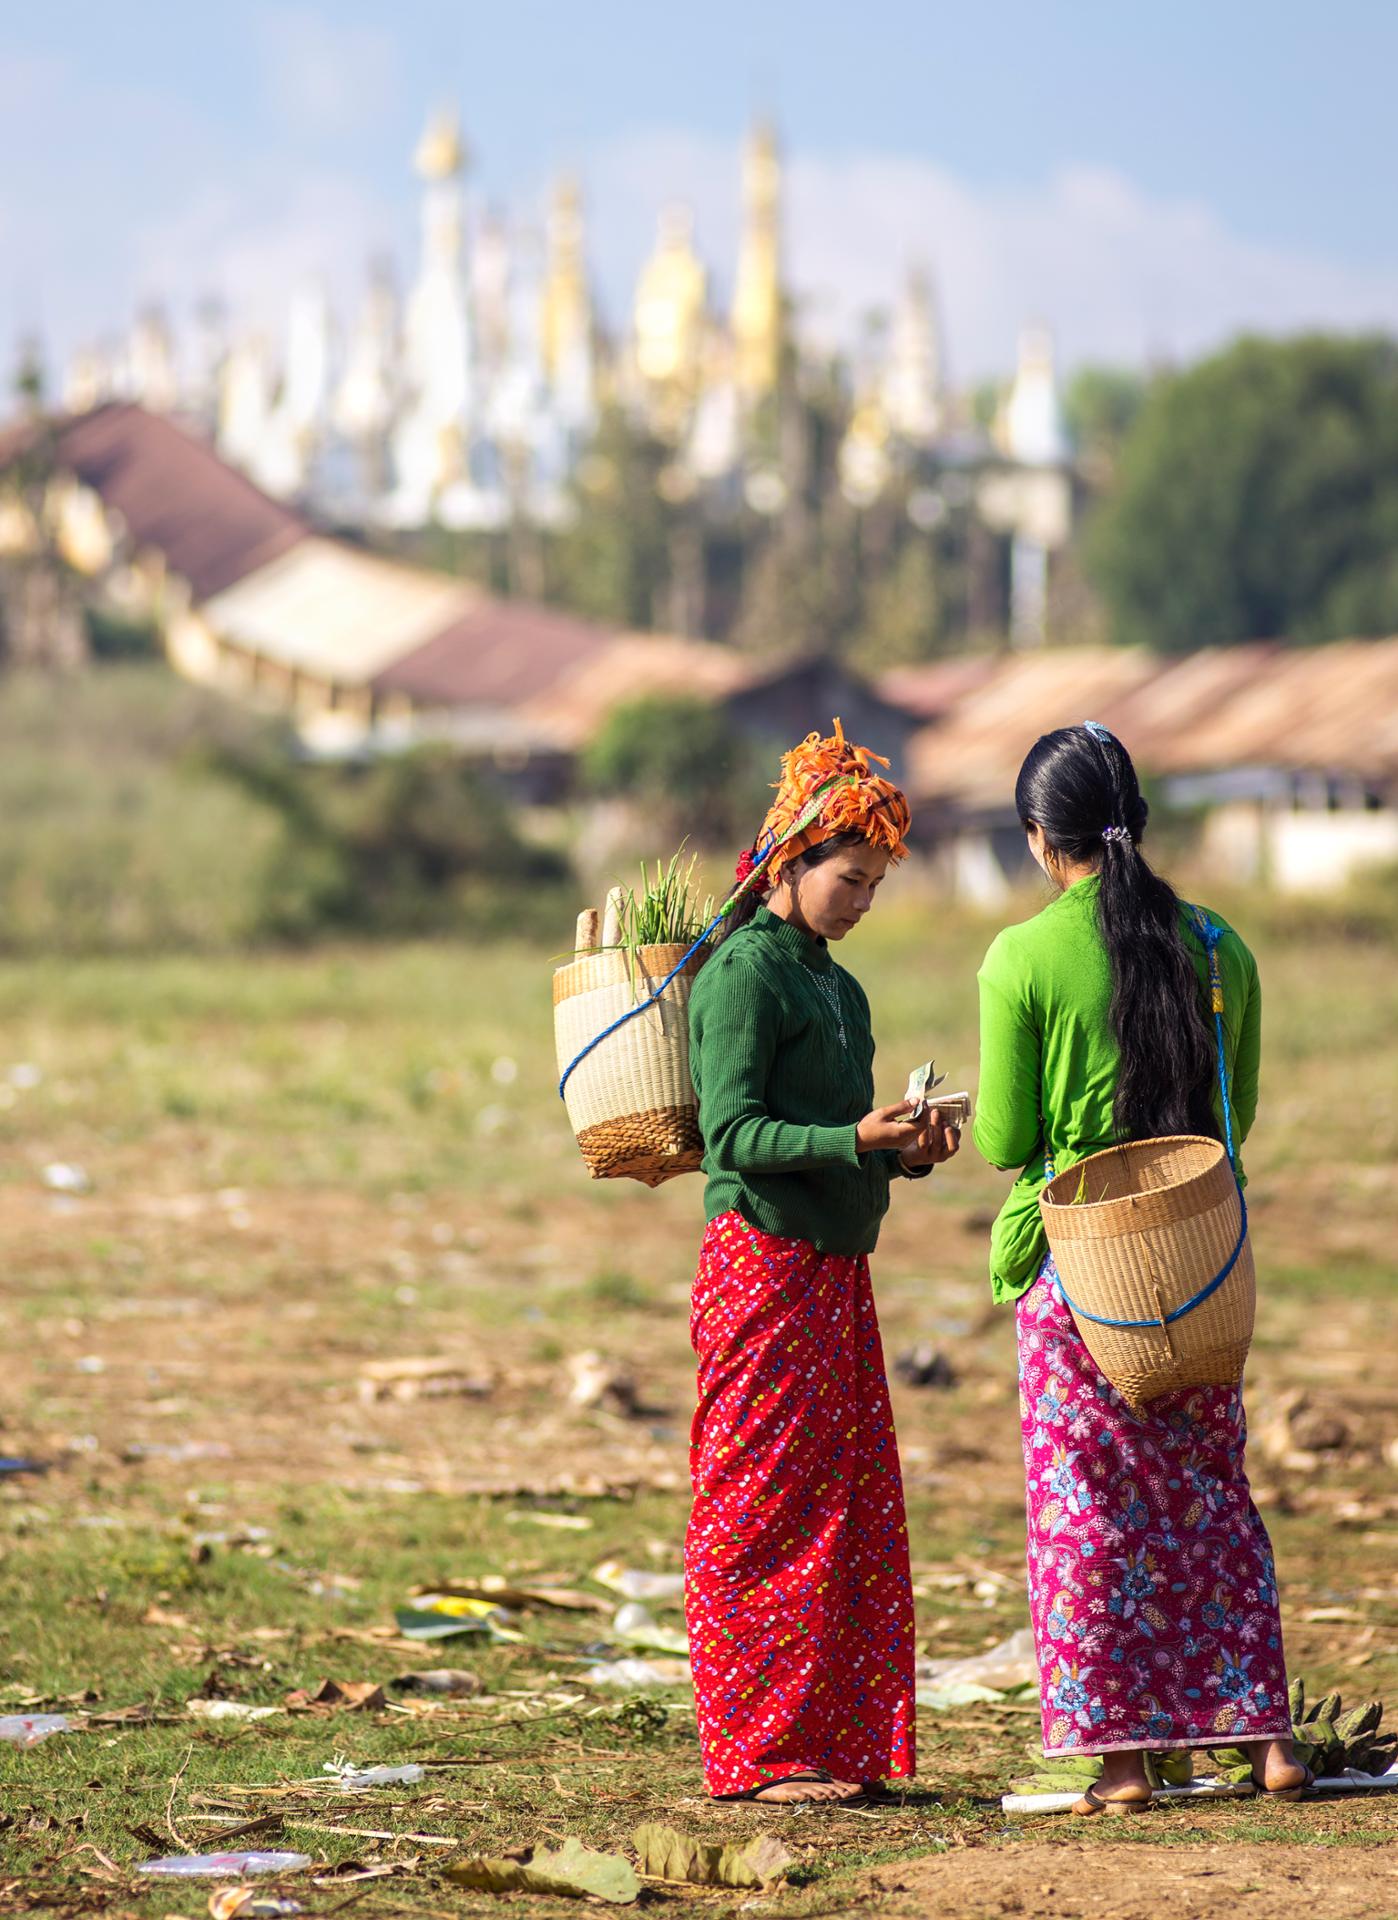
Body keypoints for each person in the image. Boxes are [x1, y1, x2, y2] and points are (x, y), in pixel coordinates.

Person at [973, 722, 1308, 1813]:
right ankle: (1266, 1741)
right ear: (1139, 824)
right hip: (1204, 1257)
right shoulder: (1222, 947)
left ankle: (1122, 1763)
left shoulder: (1021, 958)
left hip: (1085, 1269)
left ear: (1038, 839)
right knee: (1213, 1493)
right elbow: (1235, 1116)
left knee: (1089, 1508)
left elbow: (1005, 1136)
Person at [684, 721, 961, 1806]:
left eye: (875, 888)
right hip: (762, 1267)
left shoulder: (839, 992)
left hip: (837, 1277)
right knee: (760, 1510)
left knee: (844, 1509)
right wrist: (858, 1140)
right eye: (849, 879)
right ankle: (760, 1756)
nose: (859, 903)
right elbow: (735, 1138)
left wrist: (909, 1152)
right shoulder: (745, 976)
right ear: (790, 861)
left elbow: (847, 1143)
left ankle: (834, 1745)